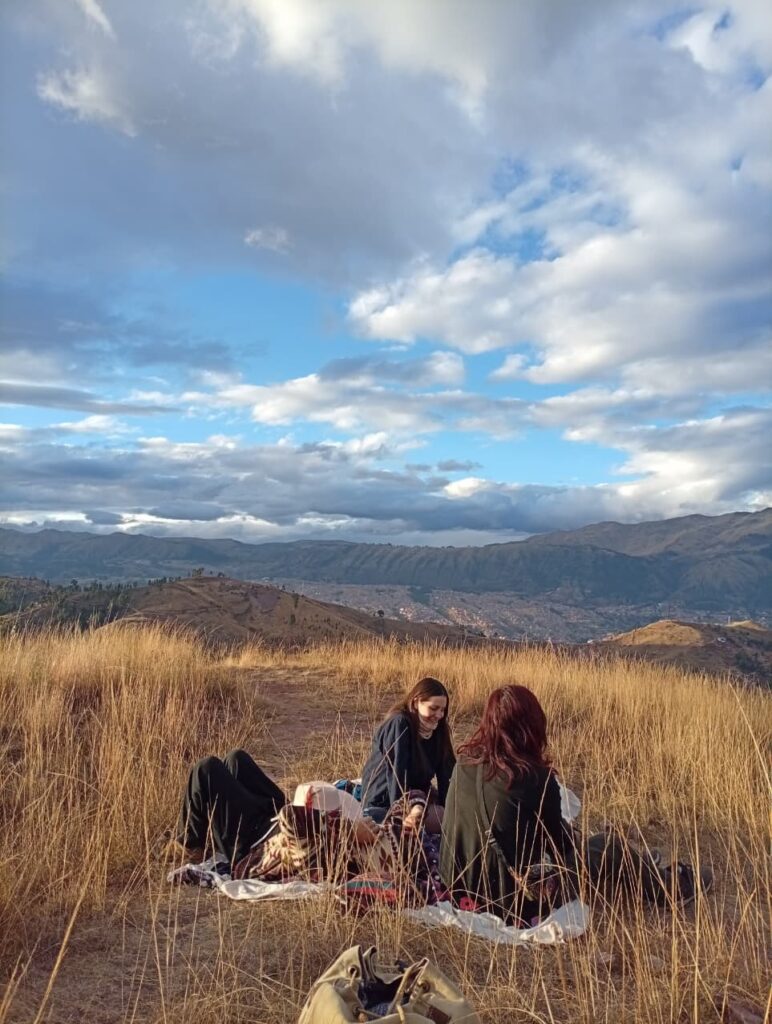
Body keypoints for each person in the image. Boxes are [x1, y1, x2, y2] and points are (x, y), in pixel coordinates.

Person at [440, 685, 709, 927]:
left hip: (459, 886)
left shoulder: (465, 763)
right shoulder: (534, 778)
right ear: (530, 726)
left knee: (595, 846)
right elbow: (559, 847)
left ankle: (640, 863)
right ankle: (671, 888)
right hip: (513, 898)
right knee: (608, 847)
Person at [360, 677, 456, 833]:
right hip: (384, 801)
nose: (439, 715)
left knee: (456, 816)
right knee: (441, 819)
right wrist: (398, 818)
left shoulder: (439, 730)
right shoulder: (399, 724)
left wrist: (451, 809)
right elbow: (396, 775)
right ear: (416, 702)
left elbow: (447, 774)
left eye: (442, 710)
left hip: (416, 798)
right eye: (433, 708)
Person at [168, 749, 287, 865]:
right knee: (236, 759)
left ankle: (189, 847)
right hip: (279, 814)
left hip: (260, 840)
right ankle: (203, 840)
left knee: (205, 770)